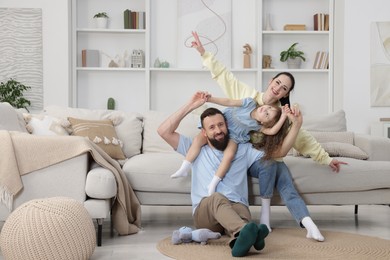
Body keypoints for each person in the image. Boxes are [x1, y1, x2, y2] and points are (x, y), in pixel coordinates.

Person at [191, 31, 348, 242]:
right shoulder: (247, 97)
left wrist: (326, 159)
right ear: (271, 81)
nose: (278, 89)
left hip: (257, 160)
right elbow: (224, 76)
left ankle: (307, 223)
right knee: (272, 163)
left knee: (279, 171)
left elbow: (303, 139)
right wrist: (203, 53)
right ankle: (267, 218)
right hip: (237, 156)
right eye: (277, 83)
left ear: (285, 95)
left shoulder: (281, 115)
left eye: (284, 89)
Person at [157, 91, 303, 257]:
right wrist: (191, 105)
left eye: (221, 125)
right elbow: (163, 131)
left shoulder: (243, 148)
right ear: (204, 133)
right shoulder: (195, 149)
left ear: (227, 124)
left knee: (242, 214)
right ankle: (247, 231)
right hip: (206, 213)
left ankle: (240, 240)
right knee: (217, 198)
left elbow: (280, 152)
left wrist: (297, 125)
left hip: (236, 209)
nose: (218, 130)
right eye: (212, 128)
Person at [171, 93, 291, 196]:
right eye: (268, 107)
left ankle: (213, 183)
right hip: (222, 125)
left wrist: (284, 116)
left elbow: (272, 131)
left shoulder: (258, 126)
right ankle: (185, 167)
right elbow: (228, 102)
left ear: (263, 122)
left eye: (267, 115)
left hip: (234, 137)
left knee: (229, 156)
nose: (265, 110)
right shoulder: (249, 103)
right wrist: (210, 99)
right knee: (198, 141)